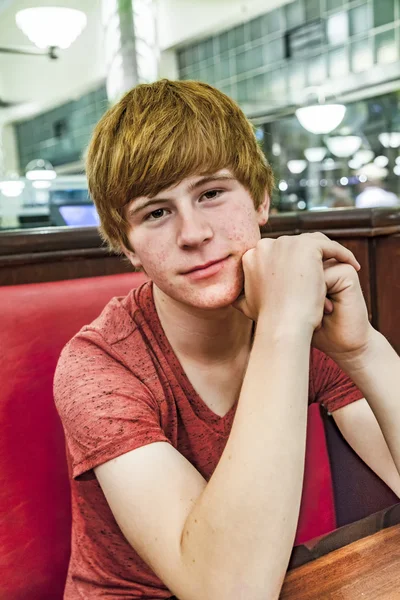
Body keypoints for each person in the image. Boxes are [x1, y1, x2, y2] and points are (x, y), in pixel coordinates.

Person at [54, 80, 400, 600]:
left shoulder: (302, 324)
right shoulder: (98, 365)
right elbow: (229, 592)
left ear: (260, 199)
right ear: (128, 245)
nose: (193, 234)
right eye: (156, 212)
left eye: (211, 193)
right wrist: (284, 325)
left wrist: (362, 350)